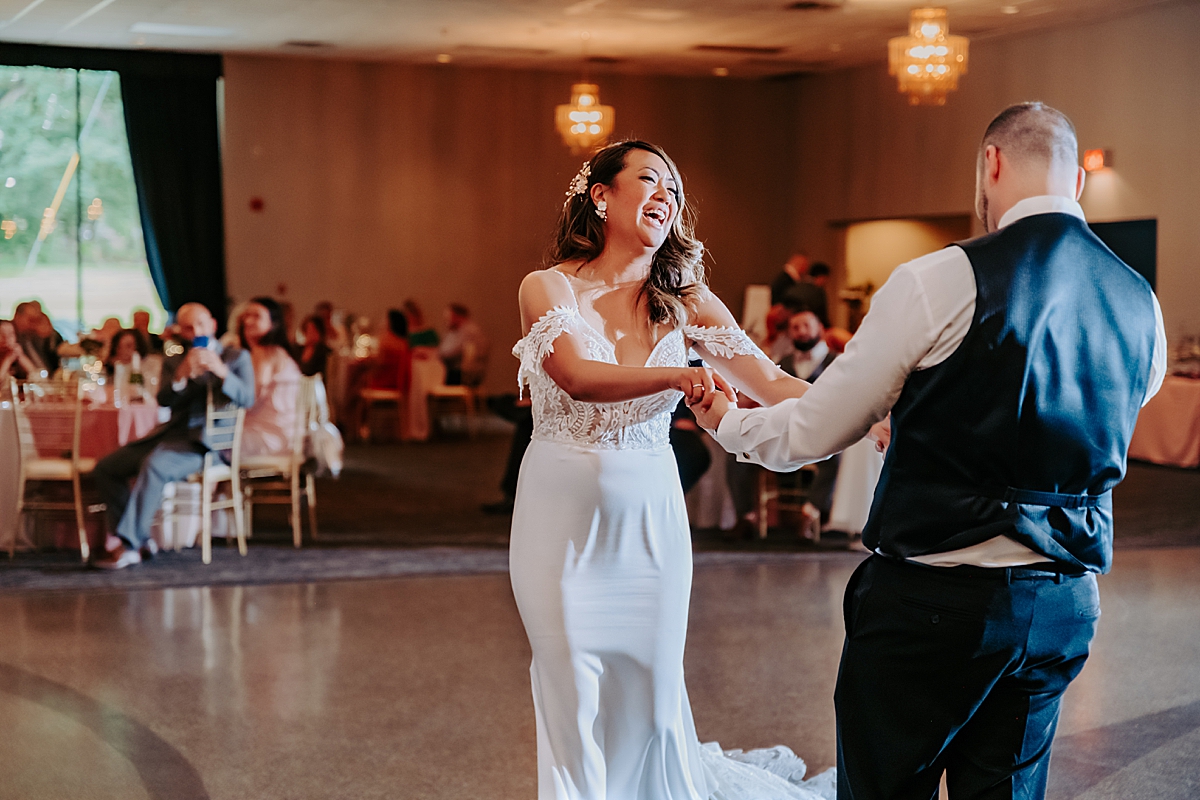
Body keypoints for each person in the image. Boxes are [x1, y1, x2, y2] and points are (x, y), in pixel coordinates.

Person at [692, 103, 1166, 800]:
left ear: (992, 164)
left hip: (935, 602)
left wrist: (724, 419)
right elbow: (1073, 421)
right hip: (1064, 603)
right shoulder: (1141, 303)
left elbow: (812, 431)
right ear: (1079, 183)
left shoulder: (941, 279)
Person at [510, 140, 833, 800]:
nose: (667, 195)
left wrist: (872, 406)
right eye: (650, 180)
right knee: (568, 683)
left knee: (651, 699)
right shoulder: (549, 287)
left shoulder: (688, 300)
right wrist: (678, 372)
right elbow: (574, 375)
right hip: (558, 521)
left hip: (652, 523)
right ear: (601, 195)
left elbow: (772, 384)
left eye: (676, 190)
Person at [92, 302, 255, 569]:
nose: (196, 331)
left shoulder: (236, 357)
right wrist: (181, 376)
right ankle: (141, 539)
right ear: (182, 332)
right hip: (169, 437)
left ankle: (129, 545)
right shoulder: (174, 360)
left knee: (155, 465)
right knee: (107, 468)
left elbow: (248, 398)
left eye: (201, 325)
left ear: (213, 325)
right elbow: (164, 401)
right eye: (189, 328)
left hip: (207, 444)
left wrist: (221, 371)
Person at [238, 297, 302, 457]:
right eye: (247, 316)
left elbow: (251, 398)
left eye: (256, 316)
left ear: (273, 324)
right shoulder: (280, 352)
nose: (248, 321)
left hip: (269, 438)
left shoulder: (265, 353)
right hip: (289, 437)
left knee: (206, 444)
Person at [438, 303, 489, 386]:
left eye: (448, 317)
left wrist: (435, 354)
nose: (446, 320)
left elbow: (451, 352)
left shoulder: (469, 332)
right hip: (456, 371)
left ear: (457, 316)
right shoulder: (455, 332)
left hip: (464, 375)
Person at [781, 261, 831, 329]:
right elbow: (823, 318)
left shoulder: (794, 287)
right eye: (825, 280)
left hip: (787, 328)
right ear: (821, 277)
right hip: (808, 329)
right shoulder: (818, 292)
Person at [0, 319, 37, 384]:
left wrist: (21, 357)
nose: (7, 337)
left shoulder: (15, 354)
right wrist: (8, 360)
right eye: (2, 334)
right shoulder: (9, 357)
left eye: (11, 334)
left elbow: (37, 377)